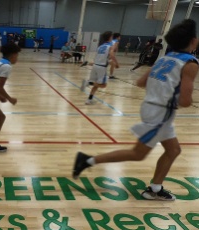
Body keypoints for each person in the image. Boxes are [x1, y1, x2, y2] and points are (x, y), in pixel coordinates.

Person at [73, 19, 199, 201]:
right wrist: (169, 96)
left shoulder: (164, 58)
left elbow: (140, 82)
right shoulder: (190, 63)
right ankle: (87, 161)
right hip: (160, 113)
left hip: (152, 107)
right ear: (193, 41)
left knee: (173, 150)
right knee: (138, 154)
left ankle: (155, 188)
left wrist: (161, 91)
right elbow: (186, 101)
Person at [80, 31, 118, 105]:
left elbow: (99, 57)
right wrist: (116, 64)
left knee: (96, 84)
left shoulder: (100, 47)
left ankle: (89, 100)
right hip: (102, 68)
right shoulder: (110, 46)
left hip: (95, 66)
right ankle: (88, 83)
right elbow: (111, 56)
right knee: (103, 85)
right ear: (110, 37)